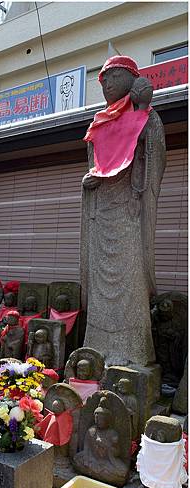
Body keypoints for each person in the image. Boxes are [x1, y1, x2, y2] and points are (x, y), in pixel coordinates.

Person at [80, 55, 166, 366]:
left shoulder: (149, 116)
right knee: (100, 285)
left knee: (130, 282)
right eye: (103, 80)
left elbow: (152, 158)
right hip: (102, 212)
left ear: (131, 77)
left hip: (130, 209)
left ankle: (133, 351)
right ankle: (97, 346)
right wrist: (87, 182)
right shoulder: (99, 123)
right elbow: (95, 168)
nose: (107, 84)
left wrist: (141, 115)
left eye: (114, 76)